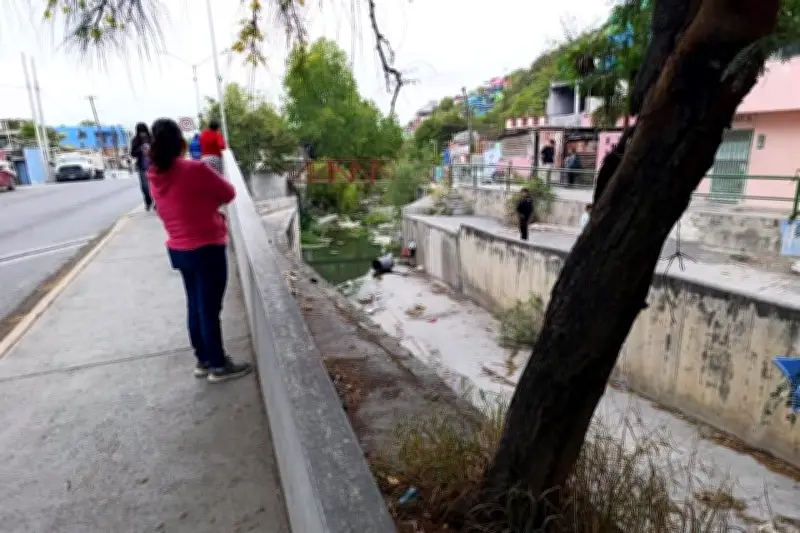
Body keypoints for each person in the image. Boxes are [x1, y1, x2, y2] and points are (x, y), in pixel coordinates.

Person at [147, 118, 251, 383]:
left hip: (179, 249)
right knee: (209, 309)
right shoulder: (195, 169)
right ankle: (218, 365)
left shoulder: (154, 175)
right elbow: (228, 193)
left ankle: (203, 360)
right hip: (207, 246)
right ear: (181, 142)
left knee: (195, 306)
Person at [130, 122, 154, 211]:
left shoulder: (152, 138)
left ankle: (156, 201)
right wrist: (140, 149)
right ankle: (148, 201)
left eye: (144, 131)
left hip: (153, 166)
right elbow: (132, 153)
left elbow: (158, 149)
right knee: (145, 186)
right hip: (142, 166)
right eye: (140, 132)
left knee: (155, 185)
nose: (142, 134)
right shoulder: (135, 140)